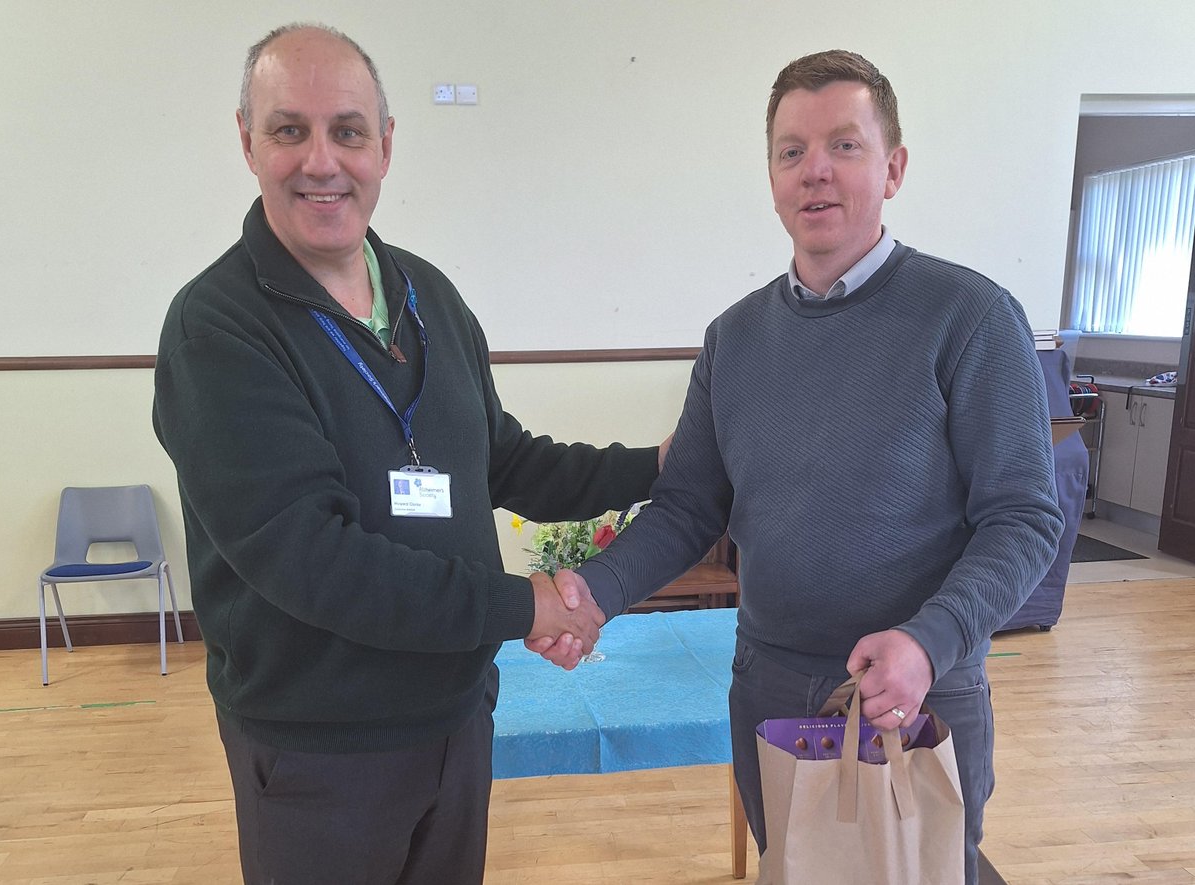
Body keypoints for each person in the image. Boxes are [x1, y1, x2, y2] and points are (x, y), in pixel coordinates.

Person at [533, 50, 1064, 885]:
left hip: (917, 693)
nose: (815, 171)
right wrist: (594, 593)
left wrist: (928, 643)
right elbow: (686, 507)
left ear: (892, 168)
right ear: (772, 176)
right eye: (791, 151)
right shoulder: (733, 339)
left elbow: (1026, 517)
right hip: (773, 688)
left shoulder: (972, 319)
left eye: (844, 146)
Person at [153, 23, 663, 885]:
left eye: (348, 131)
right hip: (323, 755)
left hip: (456, 723)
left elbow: (504, 459)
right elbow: (315, 561)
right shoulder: (217, 330)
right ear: (247, 142)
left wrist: (660, 462)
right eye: (290, 130)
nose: (322, 160)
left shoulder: (429, 295)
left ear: (385, 146)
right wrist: (524, 604)